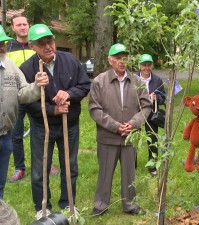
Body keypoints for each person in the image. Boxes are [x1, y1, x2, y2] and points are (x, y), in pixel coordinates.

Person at [20, 24, 90, 219]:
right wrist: (53, 110)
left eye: (49, 41)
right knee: (39, 170)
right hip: (43, 127)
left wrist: (69, 93)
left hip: (70, 125)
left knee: (70, 165)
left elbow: (84, 85)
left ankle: (68, 203)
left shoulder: (70, 61)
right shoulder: (27, 69)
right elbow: (25, 101)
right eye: (41, 44)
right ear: (32, 46)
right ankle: (42, 206)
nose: (48, 46)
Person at [89, 43, 152, 216]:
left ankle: (130, 205)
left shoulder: (137, 81)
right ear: (110, 60)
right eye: (117, 58)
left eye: (124, 57)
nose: (121, 61)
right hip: (107, 137)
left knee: (129, 173)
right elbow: (95, 109)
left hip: (130, 137)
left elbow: (146, 107)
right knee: (105, 173)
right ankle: (100, 205)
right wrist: (116, 127)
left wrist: (133, 123)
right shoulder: (99, 81)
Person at [7, 14, 59, 182]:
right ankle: (19, 167)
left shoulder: (37, 44)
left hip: (36, 92)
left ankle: (47, 161)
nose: (22, 27)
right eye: (18, 25)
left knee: (42, 127)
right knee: (16, 133)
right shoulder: (7, 47)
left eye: (25, 24)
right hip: (17, 95)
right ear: (13, 28)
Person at [0, 24, 49, 199]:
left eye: (3, 43)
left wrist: (36, 85)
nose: (2, 47)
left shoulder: (10, 66)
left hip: (4, 136)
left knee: (0, 184)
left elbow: (22, 93)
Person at [136, 53, 166, 176]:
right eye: (144, 65)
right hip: (136, 113)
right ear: (139, 66)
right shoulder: (133, 78)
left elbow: (163, 97)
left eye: (149, 65)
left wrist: (156, 97)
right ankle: (132, 165)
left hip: (152, 114)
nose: (146, 68)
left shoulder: (157, 80)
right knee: (134, 138)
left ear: (152, 66)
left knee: (152, 140)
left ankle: (152, 165)